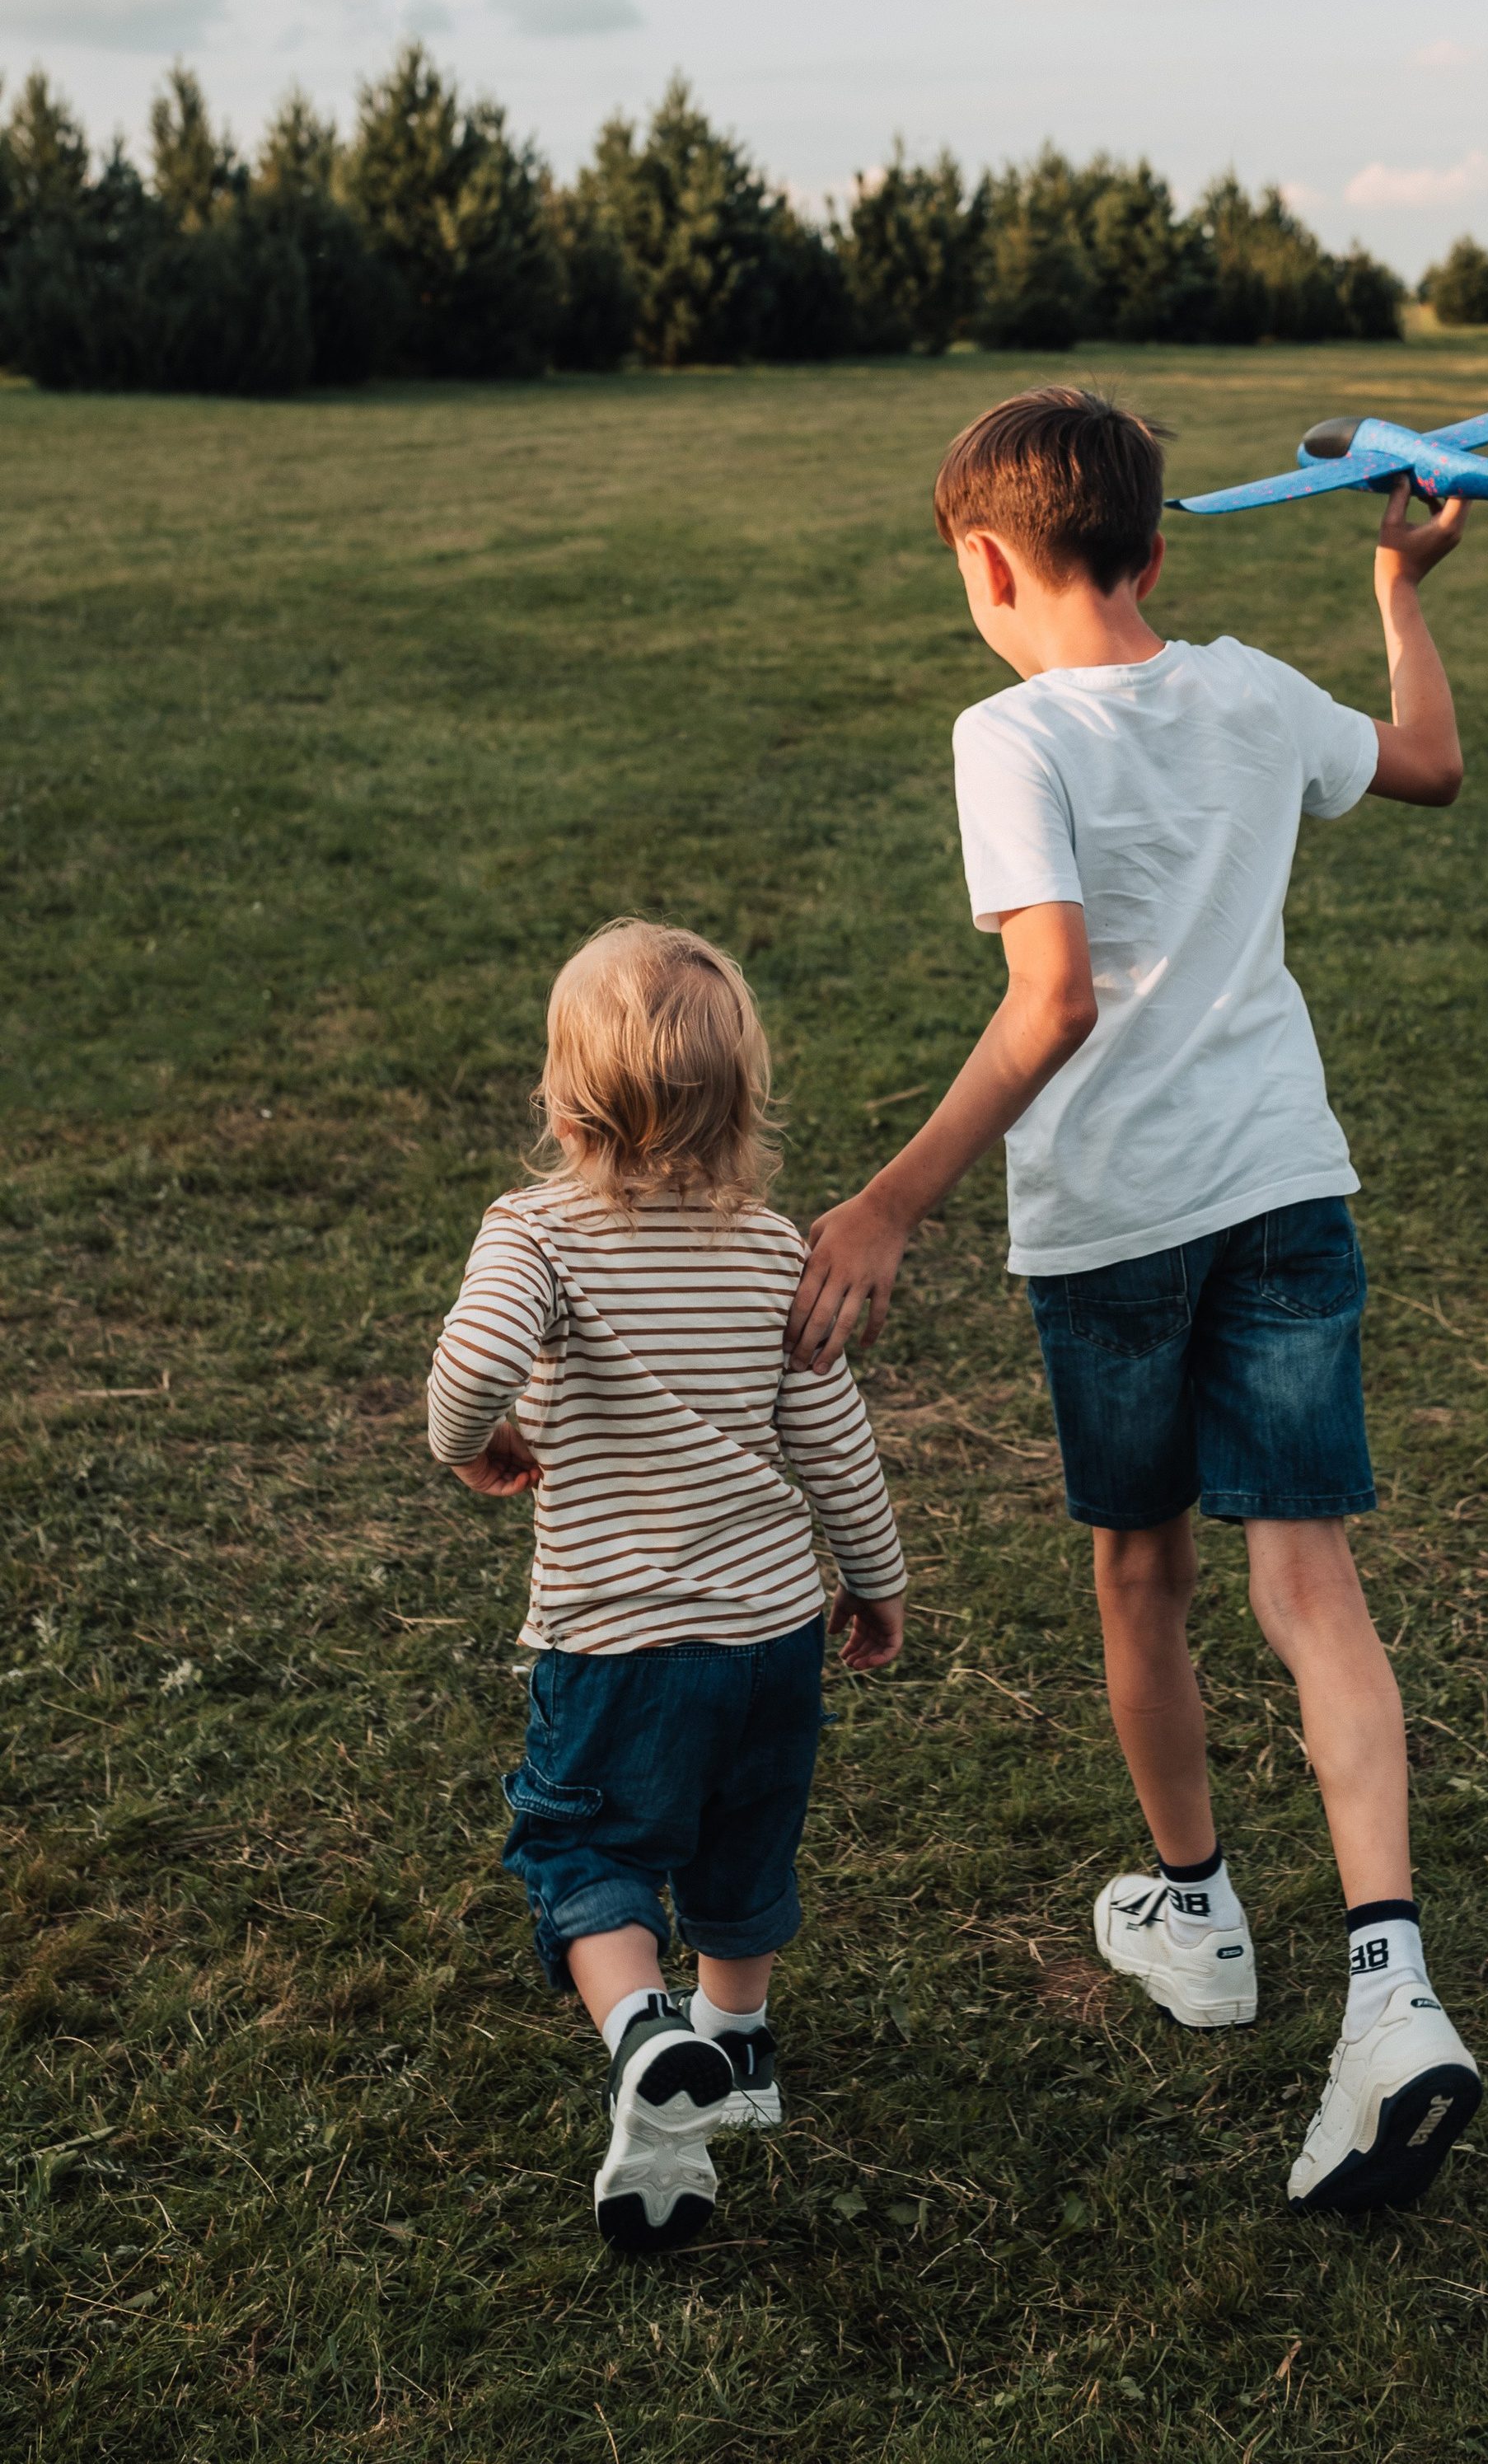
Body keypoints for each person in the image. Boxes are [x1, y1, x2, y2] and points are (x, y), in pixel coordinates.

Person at [786, 385, 1481, 2213]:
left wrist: (887, 1202)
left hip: (1113, 1231)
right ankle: (1390, 1988)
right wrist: (1397, 590)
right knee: (1309, 1586)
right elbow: (1427, 762)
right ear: (1156, 555)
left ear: (984, 563)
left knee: (1140, 1574)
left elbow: (1054, 1002)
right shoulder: (1251, 690)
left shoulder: (1007, 735)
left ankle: (1197, 1915)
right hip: (1285, 1191)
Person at [428, 919, 906, 2256]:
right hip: (770, 1635)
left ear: (563, 1100)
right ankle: (735, 2049)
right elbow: (836, 1442)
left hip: (616, 1645)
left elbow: (468, 1372)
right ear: (744, 1100)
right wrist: (876, 1579)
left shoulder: (535, 1234)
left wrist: (472, 1443)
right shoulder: (774, 1251)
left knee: (589, 1851)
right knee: (743, 1842)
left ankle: (644, 2032)